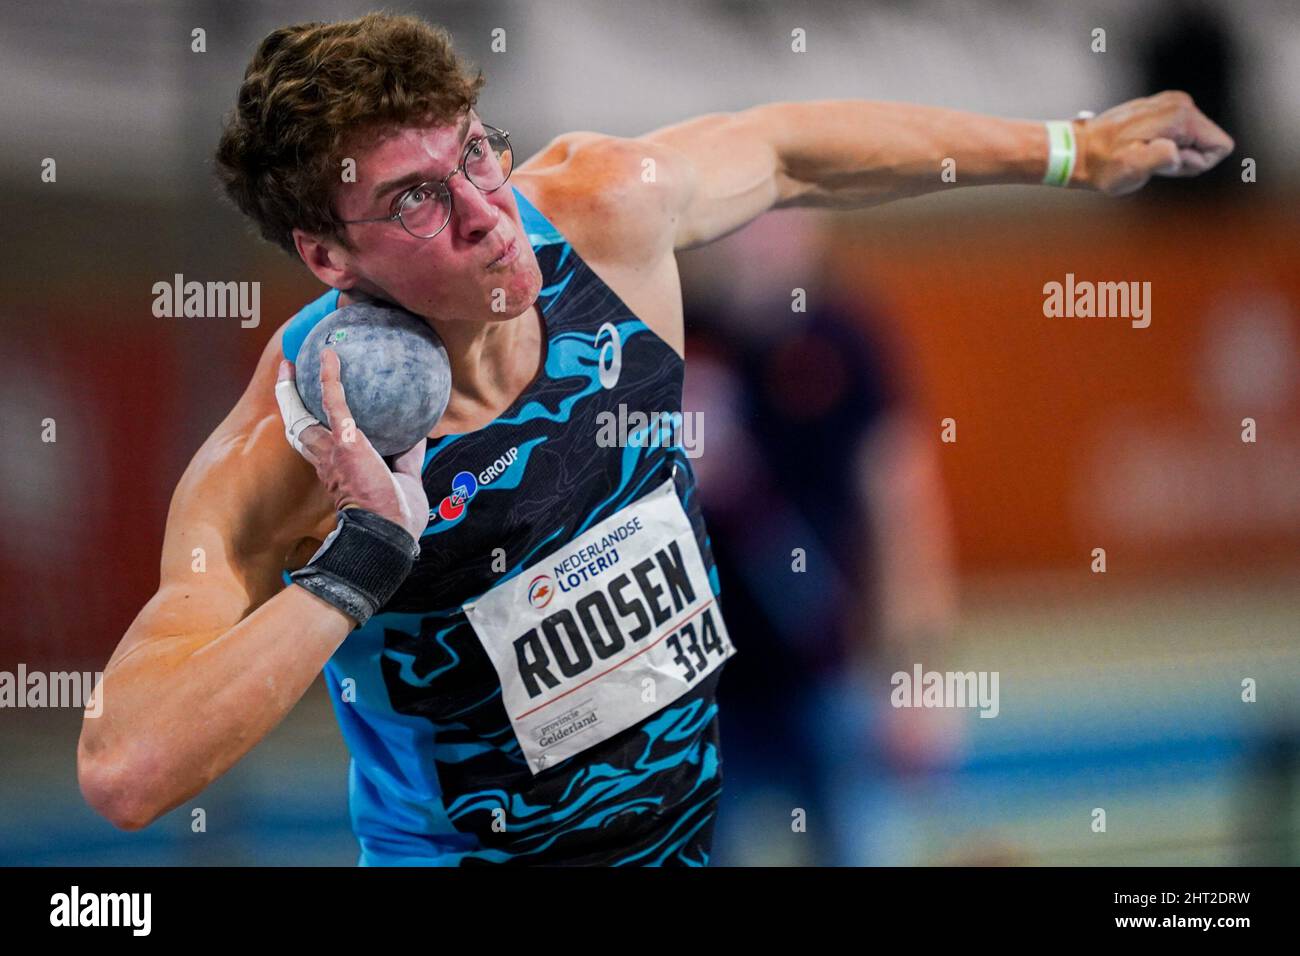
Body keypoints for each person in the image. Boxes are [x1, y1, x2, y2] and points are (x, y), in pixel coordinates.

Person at [75, 12, 1234, 866]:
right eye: (416, 198)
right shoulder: (286, 449)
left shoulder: (601, 214)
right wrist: (359, 562)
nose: (487, 211)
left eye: (475, 150)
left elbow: (787, 148)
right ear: (327, 255)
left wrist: (1071, 151)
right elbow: (126, 769)